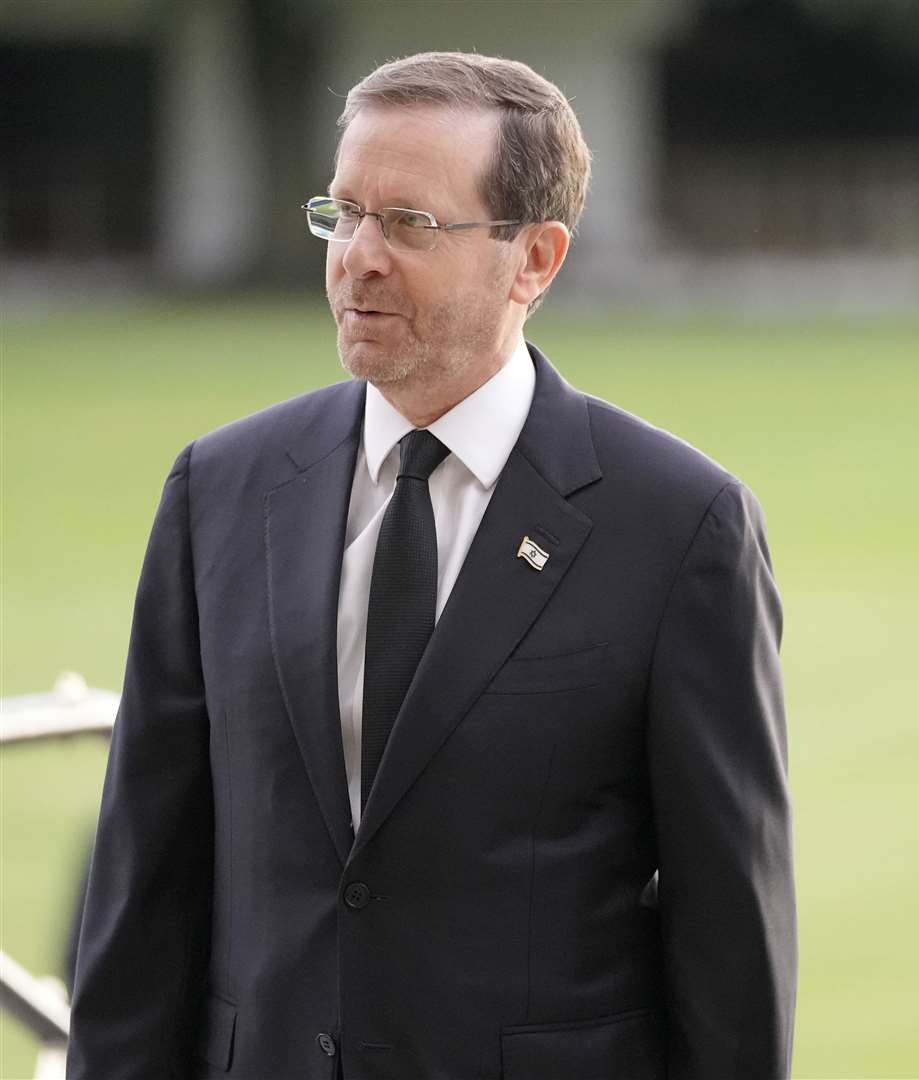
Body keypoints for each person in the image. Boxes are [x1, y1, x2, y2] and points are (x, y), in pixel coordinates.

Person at [68, 51, 795, 1080]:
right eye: (343, 214)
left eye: (408, 224)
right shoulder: (218, 490)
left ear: (534, 259)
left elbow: (731, 935)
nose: (358, 257)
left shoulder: (682, 526)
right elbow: (144, 879)